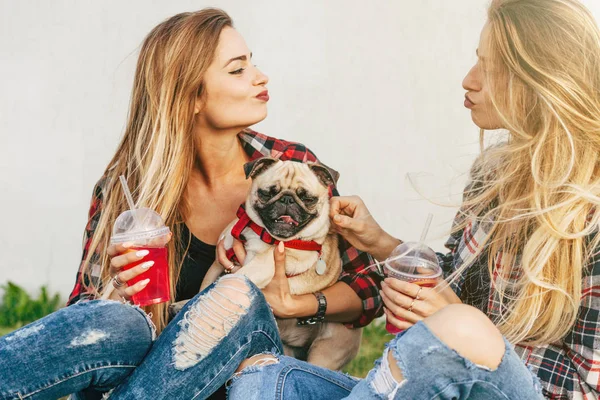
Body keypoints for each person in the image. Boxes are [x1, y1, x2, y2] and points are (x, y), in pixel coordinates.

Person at [221, 0, 600, 398]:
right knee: (262, 376)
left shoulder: (590, 213)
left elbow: (585, 388)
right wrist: (380, 242)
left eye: (490, 68)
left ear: (540, 81)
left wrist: (458, 329)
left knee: (459, 329)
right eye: (476, 60)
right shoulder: (494, 174)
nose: (468, 80)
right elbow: (454, 281)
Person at [0, 8, 380, 400]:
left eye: (253, 63)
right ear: (192, 96)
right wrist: (117, 288)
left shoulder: (289, 165)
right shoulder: (127, 188)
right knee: (110, 320)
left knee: (235, 295)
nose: (260, 77)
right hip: (157, 372)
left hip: (252, 364)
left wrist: (294, 303)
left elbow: (368, 288)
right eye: (237, 70)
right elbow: (83, 315)